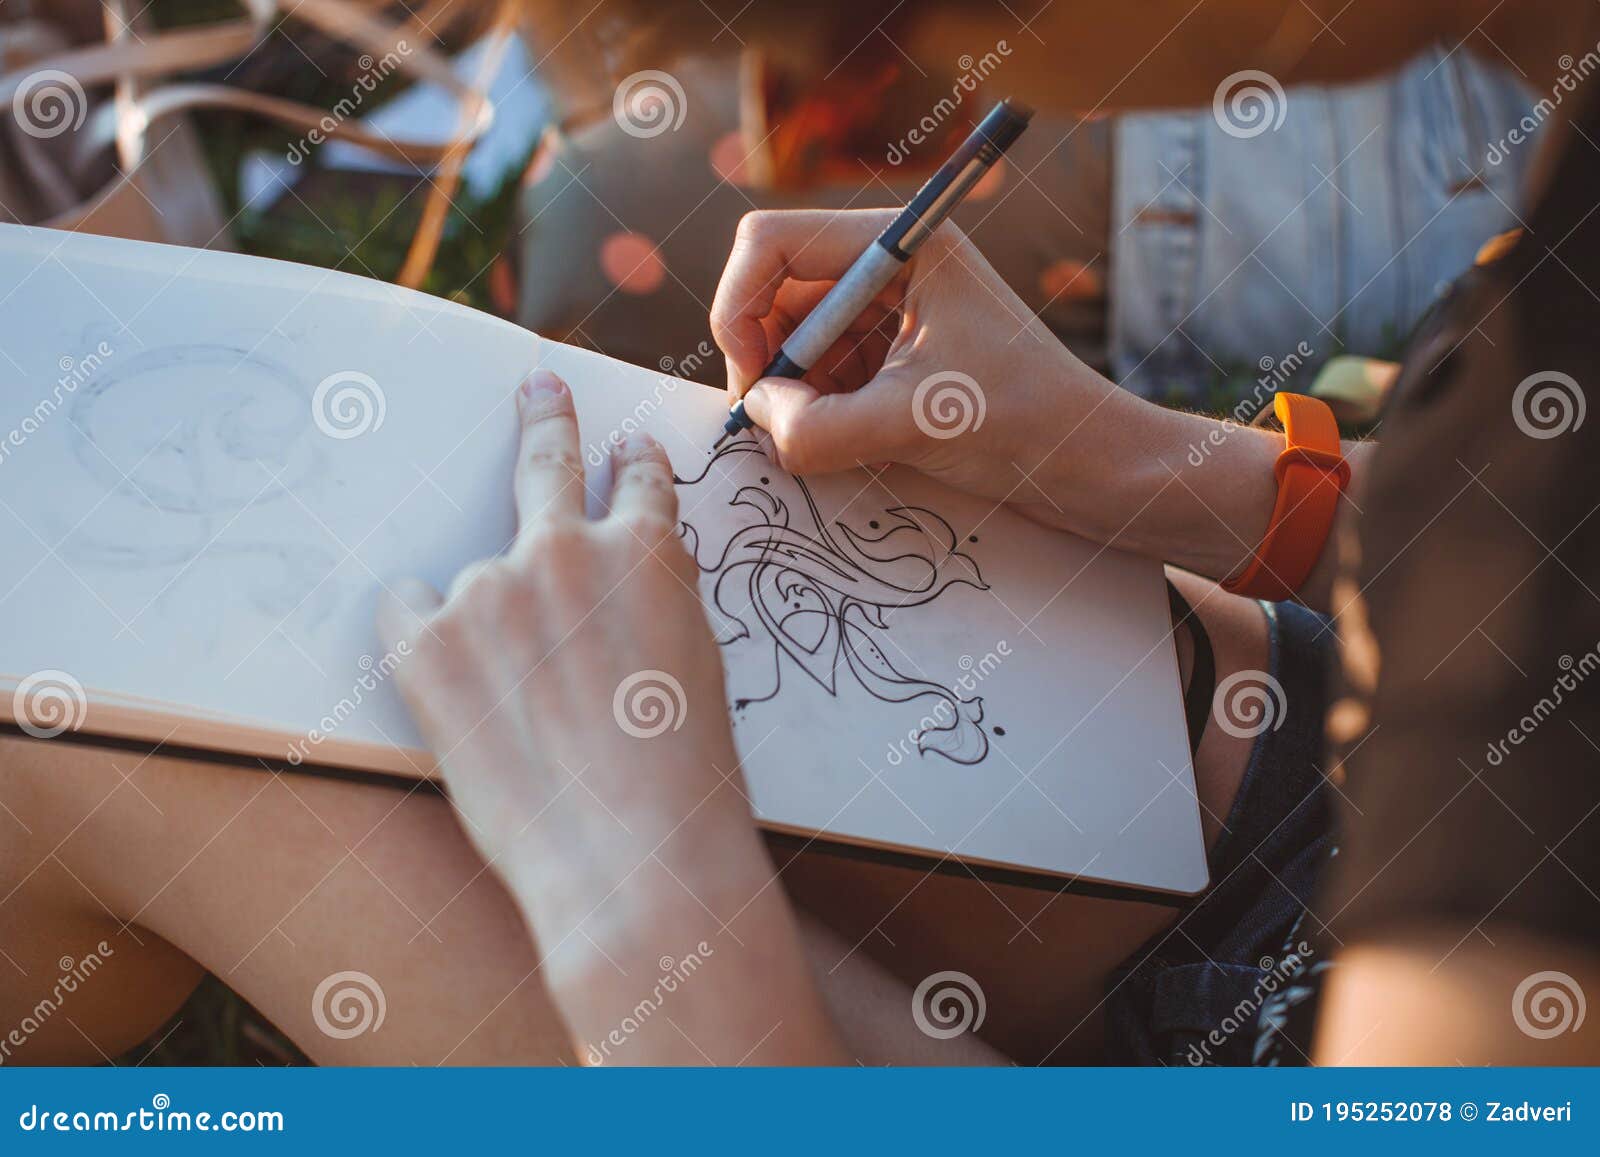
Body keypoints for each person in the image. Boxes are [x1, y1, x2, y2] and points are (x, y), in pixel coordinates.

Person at [2, 0, 1595, 1067]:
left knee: (135, 742)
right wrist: (1147, 463)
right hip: (1315, 772)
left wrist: (654, 903)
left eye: (867, 35)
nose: (871, 108)